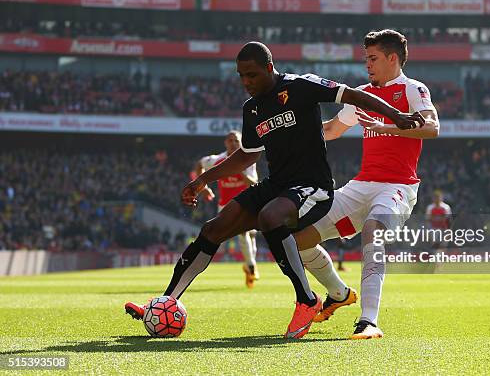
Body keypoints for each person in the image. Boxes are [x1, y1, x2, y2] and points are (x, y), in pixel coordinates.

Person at [124, 41, 424, 339]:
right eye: (240, 75)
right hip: (277, 185)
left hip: (313, 186)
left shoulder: (301, 85)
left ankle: (306, 300)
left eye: (252, 75)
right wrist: (205, 179)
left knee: (271, 217)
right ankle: (166, 301)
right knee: (214, 228)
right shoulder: (252, 108)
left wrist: (397, 117)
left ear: (269, 67)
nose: (246, 82)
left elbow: (355, 95)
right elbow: (247, 155)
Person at [294, 29, 439, 339]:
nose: (367, 65)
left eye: (373, 59)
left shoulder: (412, 89)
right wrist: (290, 134)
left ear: (392, 58)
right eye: (366, 59)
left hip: (398, 186)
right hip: (360, 185)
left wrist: (387, 125)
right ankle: (338, 292)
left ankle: (368, 321)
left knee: (374, 231)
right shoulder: (361, 94)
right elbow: (332, 129)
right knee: (298, 238)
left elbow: (431, 127)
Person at [193, 131, 259, 288]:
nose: (233, 143)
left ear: (241, 142)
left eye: (236, 140)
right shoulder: (218, 160)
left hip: (247, 202)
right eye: (230, 140)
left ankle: (250, 266)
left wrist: (240, 171)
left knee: (249, 235)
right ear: (225, 143)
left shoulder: (247, 160)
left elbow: (253, 184)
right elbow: (200, 164)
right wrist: (204, 188)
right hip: (226, 205)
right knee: (239, 234)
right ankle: (251, 266)